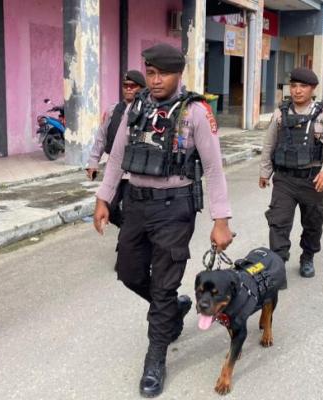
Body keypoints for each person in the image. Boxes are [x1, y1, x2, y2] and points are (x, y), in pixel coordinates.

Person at [93, 44, 233, 398]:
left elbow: (215, 170)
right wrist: (103, 198)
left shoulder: (196, 112)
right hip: (136, 205)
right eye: (150, 73)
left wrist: (221, 220)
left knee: (164, 282)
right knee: (128, 271)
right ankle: (172, 309)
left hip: (175, 207)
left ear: (178, 74)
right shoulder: (135, 106)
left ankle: (155, 358)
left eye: (162, 74)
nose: (154, 81)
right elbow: (117, 157)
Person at [259, 67, 323, 279]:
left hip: (312, 180)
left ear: (312, 89)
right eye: (293, 86)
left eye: (303, 86)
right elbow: (269, 143)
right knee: (278, 221)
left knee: (313, 222)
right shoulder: (280, 113)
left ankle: (307, 256)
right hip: (284, 179)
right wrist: (265, 172)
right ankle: (278, 264)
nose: (297, 91)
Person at [85, 70, 146, 180]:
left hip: (138, 171)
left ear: (142, 88)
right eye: (125, 85)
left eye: (132, 86)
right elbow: (101, 137)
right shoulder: (112, 110)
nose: (128, 88)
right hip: (114, 167)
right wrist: (93, 162)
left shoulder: (148, 112)